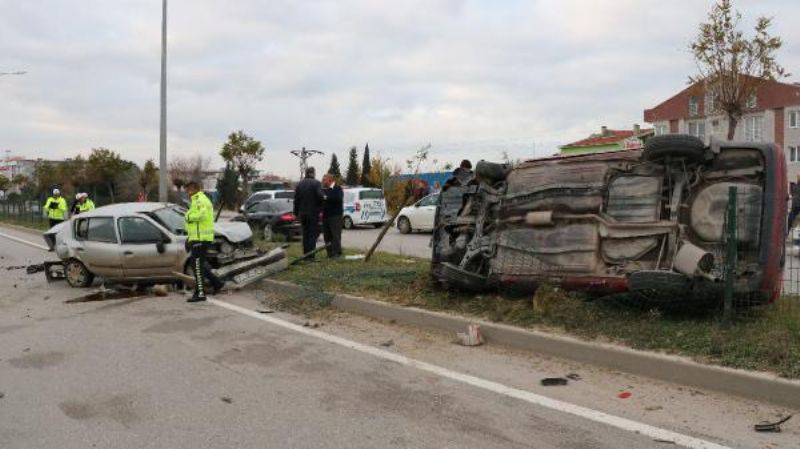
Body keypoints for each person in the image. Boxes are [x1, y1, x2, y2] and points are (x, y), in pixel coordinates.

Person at [184, 181, 225, 303]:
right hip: (197, 238)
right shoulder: (197, 200)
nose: (187, 193)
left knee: (196, 265)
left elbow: (200, 216)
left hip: (200, 239)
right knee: (197, 264)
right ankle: (217, 283)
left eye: (188, 190)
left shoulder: (200, 200)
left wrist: (188, 217)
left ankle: (200, 293)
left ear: (193, 189)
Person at [294, 167, 324, 259]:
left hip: (302, 214)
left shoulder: (299, 184)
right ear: (312, 173)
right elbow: (320, 196)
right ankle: (311, 256)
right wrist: (320, 208)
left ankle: (305, 254)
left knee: (305, 234)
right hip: (313, 213)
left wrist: (296, 213)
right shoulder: (316, 183)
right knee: (312, 234)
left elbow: (296, 200)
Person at [321, 174, 343, 258]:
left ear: (330, 180)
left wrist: (326, 198)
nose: (323, 181)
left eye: (324, 179)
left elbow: (338, 199)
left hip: (335, 216)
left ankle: (337, 253)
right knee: (327, 236)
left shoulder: (337, 188)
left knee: (335, 235)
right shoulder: (324, 190)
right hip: (325, 216)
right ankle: (329, 253)